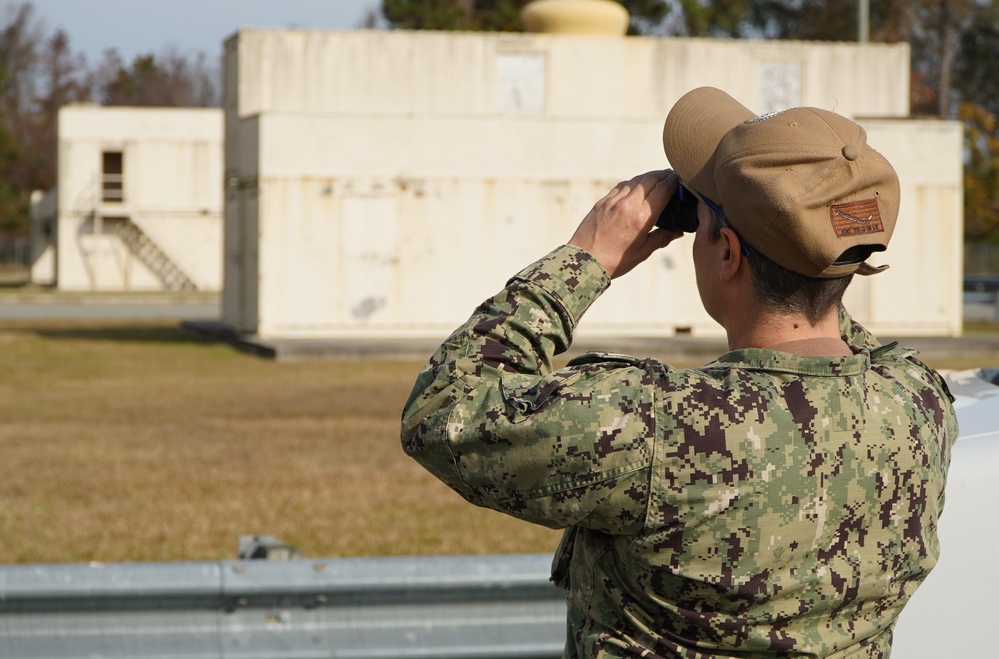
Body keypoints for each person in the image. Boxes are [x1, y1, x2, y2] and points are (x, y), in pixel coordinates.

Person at [400, 87, 957, 658]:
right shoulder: (919, 406)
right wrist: (808, 247)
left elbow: (446, 408)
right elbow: (832, 330)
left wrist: (586, 259)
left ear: (728, 254)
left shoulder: (661, 426)